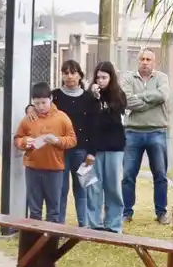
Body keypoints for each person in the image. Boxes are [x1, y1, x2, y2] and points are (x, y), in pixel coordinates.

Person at [14, 82, 78, 224]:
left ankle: (50, 242)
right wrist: (25, 142)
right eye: (36, 103)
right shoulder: (28, 119)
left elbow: (72, 140)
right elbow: (17, 139)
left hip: (54, 169)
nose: (40, 107)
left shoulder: (62, 118)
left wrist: (57, 141)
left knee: (53, 209)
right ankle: (34, 240)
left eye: (44, 102)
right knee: (34, 209)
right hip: (33, 168)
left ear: (51, 99)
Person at [122, 49, 172, 225]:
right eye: (142, 59)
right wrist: (150, 101)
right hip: (132, 133)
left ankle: (161, 212)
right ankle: (126, 212)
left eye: (148, 59)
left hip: (157, 132)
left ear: (154, 62)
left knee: (160, 174)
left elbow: (163, 95)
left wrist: (139, 99)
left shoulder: (162, 78)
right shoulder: (128, 78)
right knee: (128, 174)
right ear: (138, 61)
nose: (145, 62)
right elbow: (126, 100)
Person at [51, 60, 100, 228]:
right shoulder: (54, 96)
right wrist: (30, 108)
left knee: (82, 188)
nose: (69, 76)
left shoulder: (89, 98)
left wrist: (92, 152)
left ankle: (83, 225)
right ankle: (60, 224)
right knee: (61, 189)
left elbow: (94, 127)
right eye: (65, 73)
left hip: (82, 151)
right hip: (60, 150)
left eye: (73, 72)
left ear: (80, 75)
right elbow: (40, 108)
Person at [88, 61, 127, 232]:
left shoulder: (118, 95)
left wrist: (102, 102)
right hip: (95, 148)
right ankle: (94, 223)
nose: (101, 81)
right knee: (94, 187)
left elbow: (113, 119)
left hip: (114, 147)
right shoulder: (90, 97)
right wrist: (95, 99)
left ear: (111, 78)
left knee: (113, 187)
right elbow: (91, 120)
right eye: (98, 78)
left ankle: (113, 224)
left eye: (104, 77)